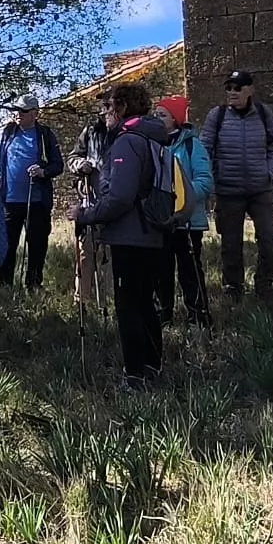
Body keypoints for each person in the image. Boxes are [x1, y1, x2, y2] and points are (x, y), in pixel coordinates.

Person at [69, 83, 172, 388]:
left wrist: (85, 214)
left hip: (131, 235)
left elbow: (120, 198)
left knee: (129, 307)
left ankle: (135, 376)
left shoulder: (128, 143)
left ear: (123, 107)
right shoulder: (155, 137)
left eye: (109, 107)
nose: (105, 113)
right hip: (153, 230)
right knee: (146, 304)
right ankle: (153, 368)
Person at [203, 70, 273, 297]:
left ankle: (264, 284)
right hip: (228, 191)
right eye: (228, 88)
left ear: (250, 90)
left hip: (261, 190)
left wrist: (269, 171)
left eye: (237, 88)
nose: (232, 92)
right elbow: (205, 149)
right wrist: (209, 179)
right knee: (231, 245)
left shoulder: (263, 114)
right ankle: (233, 288)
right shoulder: (216, 116)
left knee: (268, 239)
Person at [153, 97, 214, 327]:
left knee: (190, 270)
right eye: (156, 114)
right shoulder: (153, 145)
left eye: (163, 115)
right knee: (161, 270)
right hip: (162, 220)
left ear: (175, 120)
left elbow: (205, 181)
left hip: (188, 221)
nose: (157, 119)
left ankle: (197, 316)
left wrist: (180, 198)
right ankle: (163, 315)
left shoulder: (192, 145)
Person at [0, 93, 65, 291]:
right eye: (16, 110)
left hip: (36, 200)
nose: (18, 114)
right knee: (7, 244)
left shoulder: (45, 134)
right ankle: (3, 285)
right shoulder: (8, 132)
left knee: (36, 244)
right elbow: (2, 160)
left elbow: (58, 165)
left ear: (35, 113)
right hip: (10, 199)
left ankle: (34, 284)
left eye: (23, 111)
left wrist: (43, 171)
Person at [66, 108, 118, 310]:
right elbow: (72, 157)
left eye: (109, 105)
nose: (105, 110)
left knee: (111, 257)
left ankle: (109, 302)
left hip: (115, 203)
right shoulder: (90, 131)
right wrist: (80, 164)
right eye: (103, 106)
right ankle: (83, 304)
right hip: (89, 202)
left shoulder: (124, 134)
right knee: (85, 254)